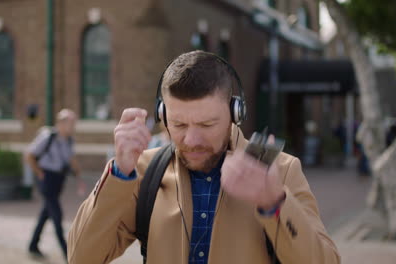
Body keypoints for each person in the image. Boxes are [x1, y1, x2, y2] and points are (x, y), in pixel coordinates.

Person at [68, 51, 340, 264]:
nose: (191, 140)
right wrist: (120, 172)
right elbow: (81, 258)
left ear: (236, 114)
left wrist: (275, 203)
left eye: (207, 125)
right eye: (179, 125)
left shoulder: (281, 170)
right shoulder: (141, 172)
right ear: (162, 115)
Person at [26, 108, 85, 260]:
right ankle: (68, 254)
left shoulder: (69, 140)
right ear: (61, 123)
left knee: (46, 213)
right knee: (57, 215)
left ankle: (33, 245)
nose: (73, 127)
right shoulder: (48, 137)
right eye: (71, 123)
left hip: (59, 180)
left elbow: (72, 160)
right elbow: (29, 155)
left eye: (74, 123)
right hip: (46, 179)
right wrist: (40, 173)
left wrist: (79, 175)